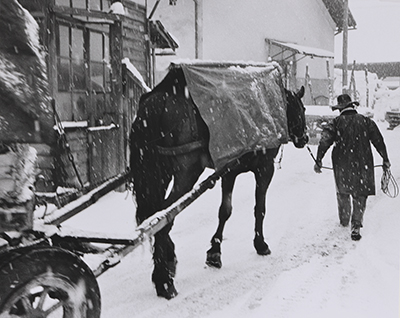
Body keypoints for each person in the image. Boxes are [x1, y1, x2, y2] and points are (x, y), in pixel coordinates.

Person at [313, 94, 390, 241]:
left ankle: (344, 218)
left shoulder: (335, 123)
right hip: (363, 164)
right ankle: (356, 224)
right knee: (360, 194)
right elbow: (378, 141)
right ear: (353, 106)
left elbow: (324, 141)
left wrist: (318, 160)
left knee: (343, 191)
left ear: (340, 109)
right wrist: (385, 159)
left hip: (342, 165)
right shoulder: (366, 122)